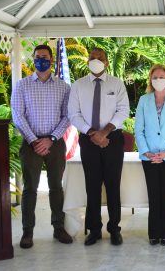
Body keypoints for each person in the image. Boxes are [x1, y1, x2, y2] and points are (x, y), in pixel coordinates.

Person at [11, 44, 73, 248]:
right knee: (30, 189)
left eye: (44, 57)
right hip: (31, 143)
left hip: (54, 142)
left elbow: (67, 116)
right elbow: (17, 115)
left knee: (56, 187)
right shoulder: (22, 86)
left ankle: (58, 228)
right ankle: (27, 232)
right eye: (37, 57)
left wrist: (51, 139)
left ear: (51, 59)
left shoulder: (64, 87)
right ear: (33, 59)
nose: (41, 60)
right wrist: (34, 140)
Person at [68, 48, 130, 246]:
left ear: (107, 62)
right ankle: (94, 230)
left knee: (113, 186)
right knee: (92, 186)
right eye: (92, 58)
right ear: (87, 60)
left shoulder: (117, 84)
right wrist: (92, 133)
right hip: (88, 140)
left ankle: (114, 229)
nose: (96, 60)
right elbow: (73, 114)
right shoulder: (78, 85)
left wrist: (105, 132)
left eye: (100, 58)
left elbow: (123, 110)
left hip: (113, 139)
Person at [134, 64, 165, 246]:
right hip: (149, 157)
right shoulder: (143, 100)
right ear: (150, 80)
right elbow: (138, 129)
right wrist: (147, 152)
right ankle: (154, 233)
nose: (158, 80)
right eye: (154, 77)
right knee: (153, 195)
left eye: (161, 77)